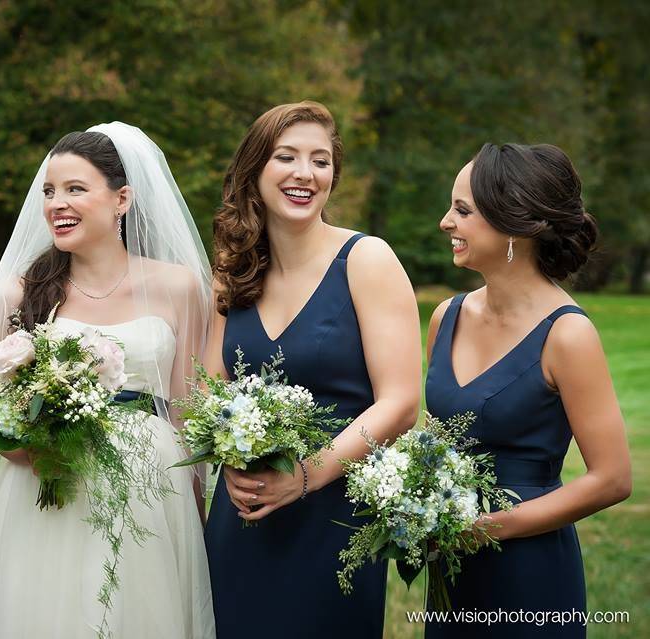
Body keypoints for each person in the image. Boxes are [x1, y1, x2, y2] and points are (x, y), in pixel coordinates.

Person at [0, 123, 215, 638]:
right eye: (49, 191)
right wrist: (22, 449)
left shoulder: (178, 287)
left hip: (150, 487)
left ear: (121, 199)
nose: (56, 204)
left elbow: (186, 412)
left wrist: (195, 516)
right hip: (46, 483)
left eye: (75, 189)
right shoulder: (18, 295)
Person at [203, 101, 421, 638]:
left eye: (320, 161)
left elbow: (400, 402)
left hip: (336, 516)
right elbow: (208, 393)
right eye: (287, 157)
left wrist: (303, 477)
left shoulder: (367, 260)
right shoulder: (231, 272)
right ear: (255, 171)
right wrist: (230, 464)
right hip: (244, 512)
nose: (305, 173)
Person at [424, 143, 631, 637]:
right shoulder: (445, 318)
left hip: (529, 571)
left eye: (462, 210)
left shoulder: (567, 335)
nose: (444, 223)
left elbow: (613, 478)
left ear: (514, 223)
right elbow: (435, 444)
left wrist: (491, 528)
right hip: (450, 570)